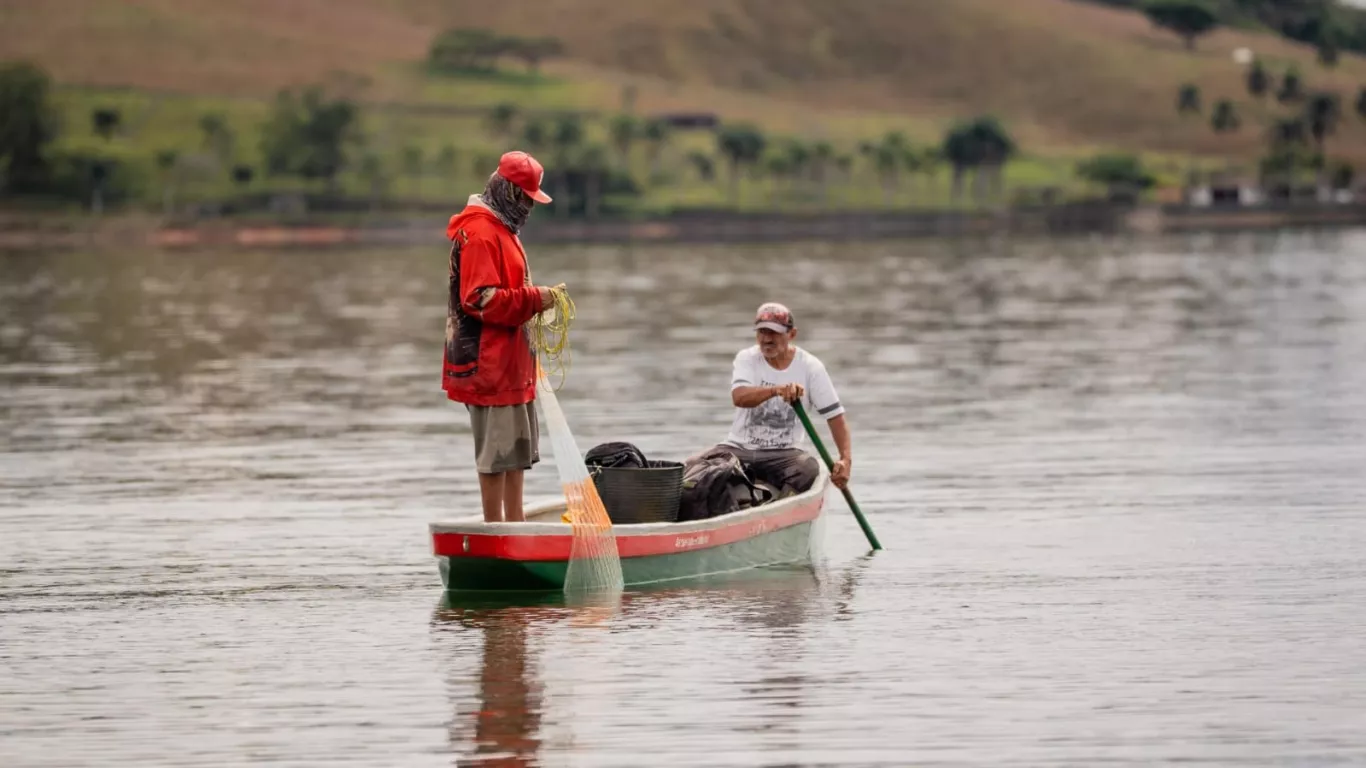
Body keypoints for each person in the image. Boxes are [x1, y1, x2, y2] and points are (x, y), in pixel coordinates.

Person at [443, 150, 561, 523]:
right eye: (526, 198)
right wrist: (535, 299)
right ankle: (496, 528)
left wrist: (535, 299)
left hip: (512, 364)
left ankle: (515, 524)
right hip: (488, 365)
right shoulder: (480, 233)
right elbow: (479, 299)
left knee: (515, 453)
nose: (529, 207)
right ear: (508, 192)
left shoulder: (503, 229)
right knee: (495, 456)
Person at [711, 302, 852, 494]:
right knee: (694, 467)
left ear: (792, 334)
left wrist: (845, 460)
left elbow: (835, 416)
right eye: (762, 332)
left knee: (808, 469)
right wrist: (776, 390)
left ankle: (777, 501)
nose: (766, 339)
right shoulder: (747, 358)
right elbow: (740, 397)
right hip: (739, 449)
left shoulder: (810, 367)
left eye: (774, 333)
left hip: (784, 455)